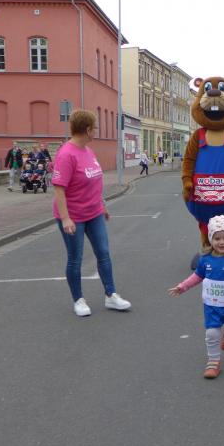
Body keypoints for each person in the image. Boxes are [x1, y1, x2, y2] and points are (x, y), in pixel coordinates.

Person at [53, 109, 131, 317]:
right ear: (87, 130)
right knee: (75, 258)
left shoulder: (88, 151)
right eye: (94, 128)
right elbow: (59, 189)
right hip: (73, 216)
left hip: (94, 212)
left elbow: (94, 181)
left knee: (103, 253)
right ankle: (78, 300)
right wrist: (65, 218)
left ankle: (111, 295)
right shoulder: (66, 154)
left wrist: (102, 205)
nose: (95, 131)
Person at [168, 215, 224, 379]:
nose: (221, 242)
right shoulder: (205, 259)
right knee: (211, 334)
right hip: (212, 306)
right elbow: (197, 276)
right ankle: (214, 361)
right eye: (217, 238)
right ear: (210, 239)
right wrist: (183, 286)